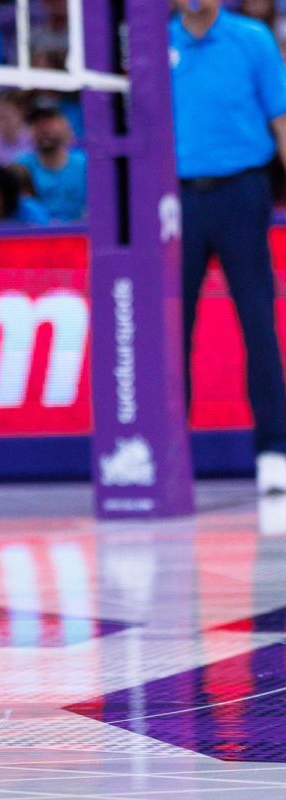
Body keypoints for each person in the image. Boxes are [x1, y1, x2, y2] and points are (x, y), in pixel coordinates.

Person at [171, 0, 286, 493]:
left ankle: (275, 451)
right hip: (175, 201)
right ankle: (170, 451)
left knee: (258, 321)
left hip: (242, 191)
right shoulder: (153, 48)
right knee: (172, 330)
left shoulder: (251, 39)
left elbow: (281, 119)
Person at [14, 97, 86, 222]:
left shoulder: (85, 164)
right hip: (39, 238)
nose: (43, 129)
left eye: (49, 122)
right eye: (37, 123)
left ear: (65, 124)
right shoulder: (21, 167)